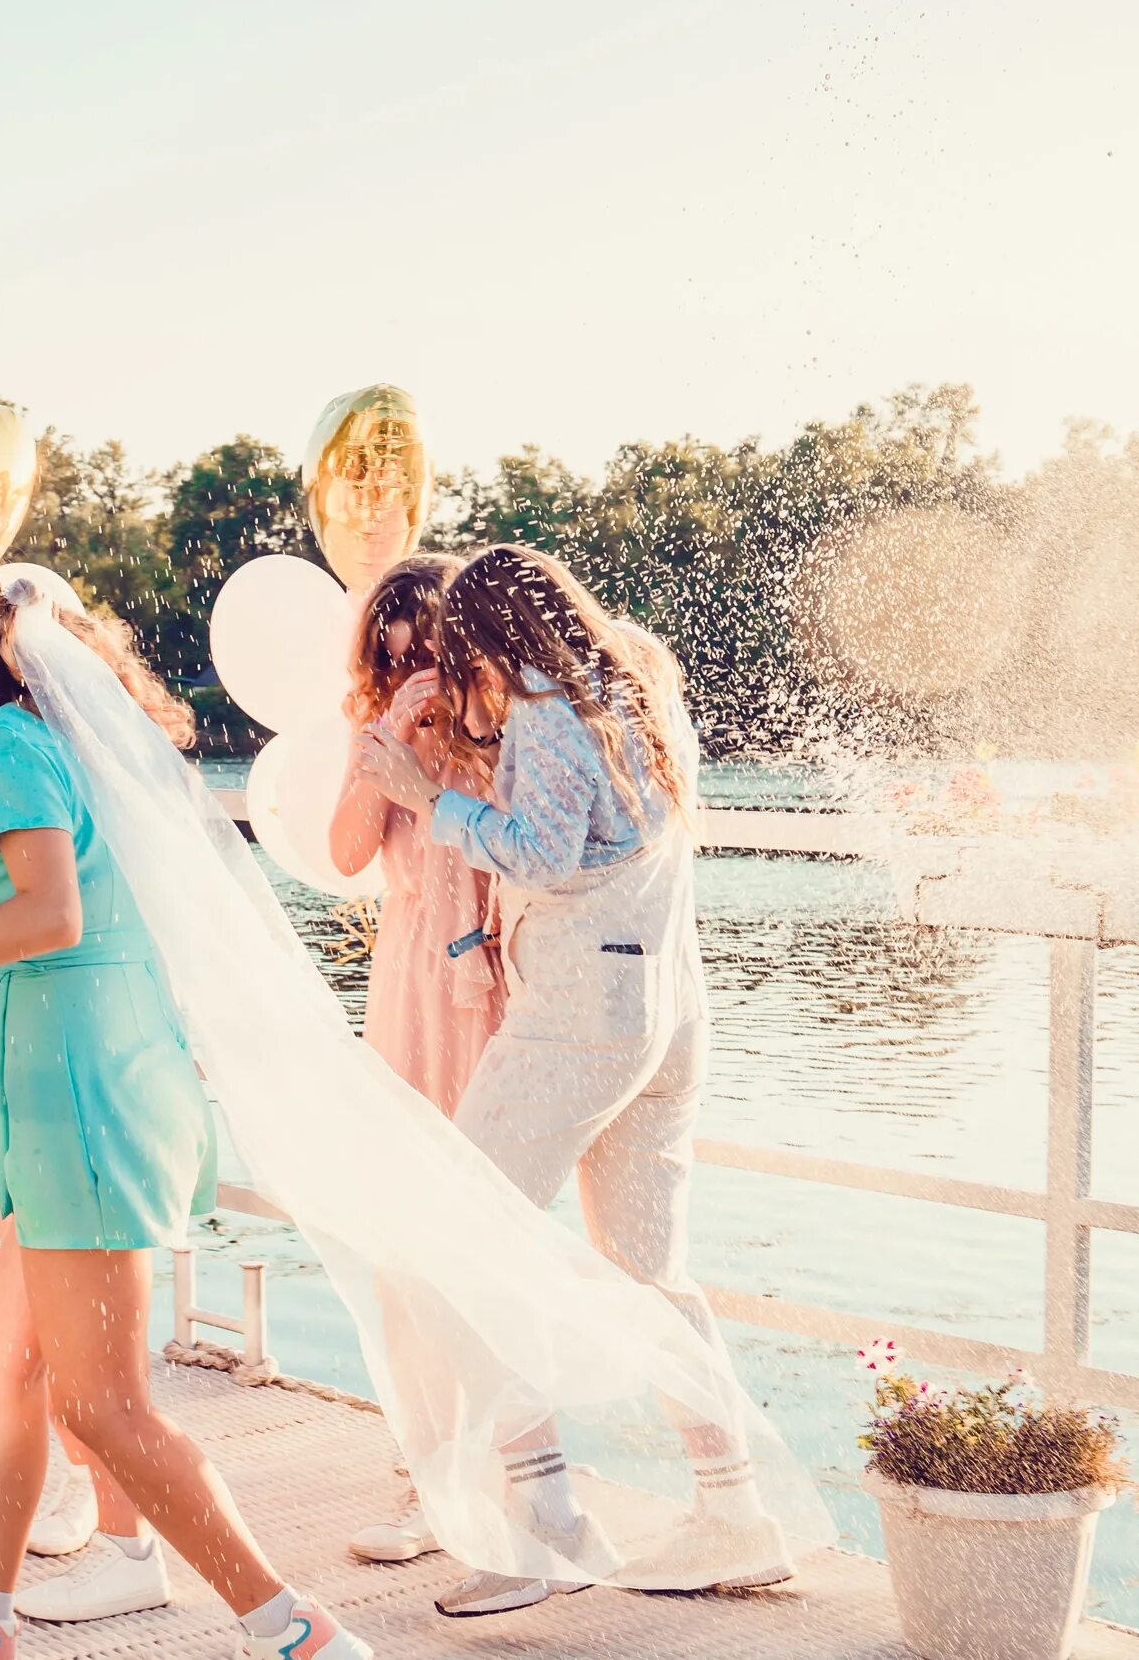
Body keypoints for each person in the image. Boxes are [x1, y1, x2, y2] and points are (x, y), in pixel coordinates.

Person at [0, 550, 374, 1660]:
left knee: (106, 1408)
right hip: (74, 1076)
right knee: (4, 1352)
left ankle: (295, 1630)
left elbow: (49, 914)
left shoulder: (2, 742)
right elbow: (69, 915)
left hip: (83, 1095)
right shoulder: (38, 739)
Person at [353, 542, 793, 1618]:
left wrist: (425, 792)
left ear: (490, 636)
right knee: (650, 1268)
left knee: (448, 1237)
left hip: (579, 1018)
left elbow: (544, 854)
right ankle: (735, 1507)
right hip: (667, 1011)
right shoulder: (633, 691)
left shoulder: (548, 708)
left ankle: (545, 1516)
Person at [325, 553, 505, 1567]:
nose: (414, 673)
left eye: (428, 654)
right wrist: (388, 745)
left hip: (485, 990)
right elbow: (346, 852)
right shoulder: (380, 732)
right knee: (400, 1239)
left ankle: (488, 1473)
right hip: (405, 989)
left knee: (480, 1230)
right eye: (393, 661)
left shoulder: (501, 734)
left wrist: (456, 753)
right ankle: (423, 1471)